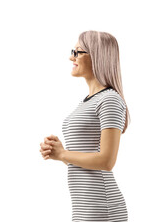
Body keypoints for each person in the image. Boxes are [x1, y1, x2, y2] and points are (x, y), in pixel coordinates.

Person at [40, 31, 129, 221]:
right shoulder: (88, 102)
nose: (71, 57)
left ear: (97, 55)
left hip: (101, 207)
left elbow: (106, 161)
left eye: (78, 52)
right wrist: (59, 152)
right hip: (85, 207)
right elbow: (85, 161)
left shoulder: (110, 100)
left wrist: (63, 154)